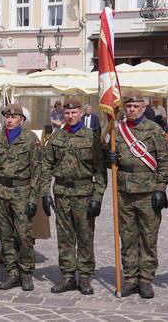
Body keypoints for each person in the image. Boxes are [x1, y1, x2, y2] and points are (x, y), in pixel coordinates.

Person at [104, 93, 168, 299]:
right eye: (129, 106)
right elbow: (108, 158)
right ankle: (131, 279)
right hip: (124, 192)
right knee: (128, 237)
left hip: (148, 192)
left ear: (144, 108)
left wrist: (160, 189)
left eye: (136, 106)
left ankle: (146, 280)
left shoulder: (154, 130)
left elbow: (165, 162)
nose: (131, 109)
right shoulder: (117, 131)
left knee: (148, 238)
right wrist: (108, 157)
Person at [42, 97, 106, 295]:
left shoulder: (91, 137)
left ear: (81, 113)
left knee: (85, 236)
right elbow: (46, 165)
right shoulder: (56, 137)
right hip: (61, 193)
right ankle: (68, 275)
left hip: (84, 193)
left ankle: (85, 276)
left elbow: (100, 171)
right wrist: (44, 191)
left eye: (74, 112)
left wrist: (98, 197)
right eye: (67, 113)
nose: (70, 116)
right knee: (65, 237)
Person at [0, 104, 42, 292]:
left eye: (14, 117)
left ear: (22, 120)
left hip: (22, 193)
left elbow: (37, 170)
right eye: (7, 117)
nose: (9, 120)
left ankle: (26, 272)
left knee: (24, 235)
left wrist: (34, 198)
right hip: (0, 192)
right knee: (6, 235)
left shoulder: (30, 140)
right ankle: (12, 273)